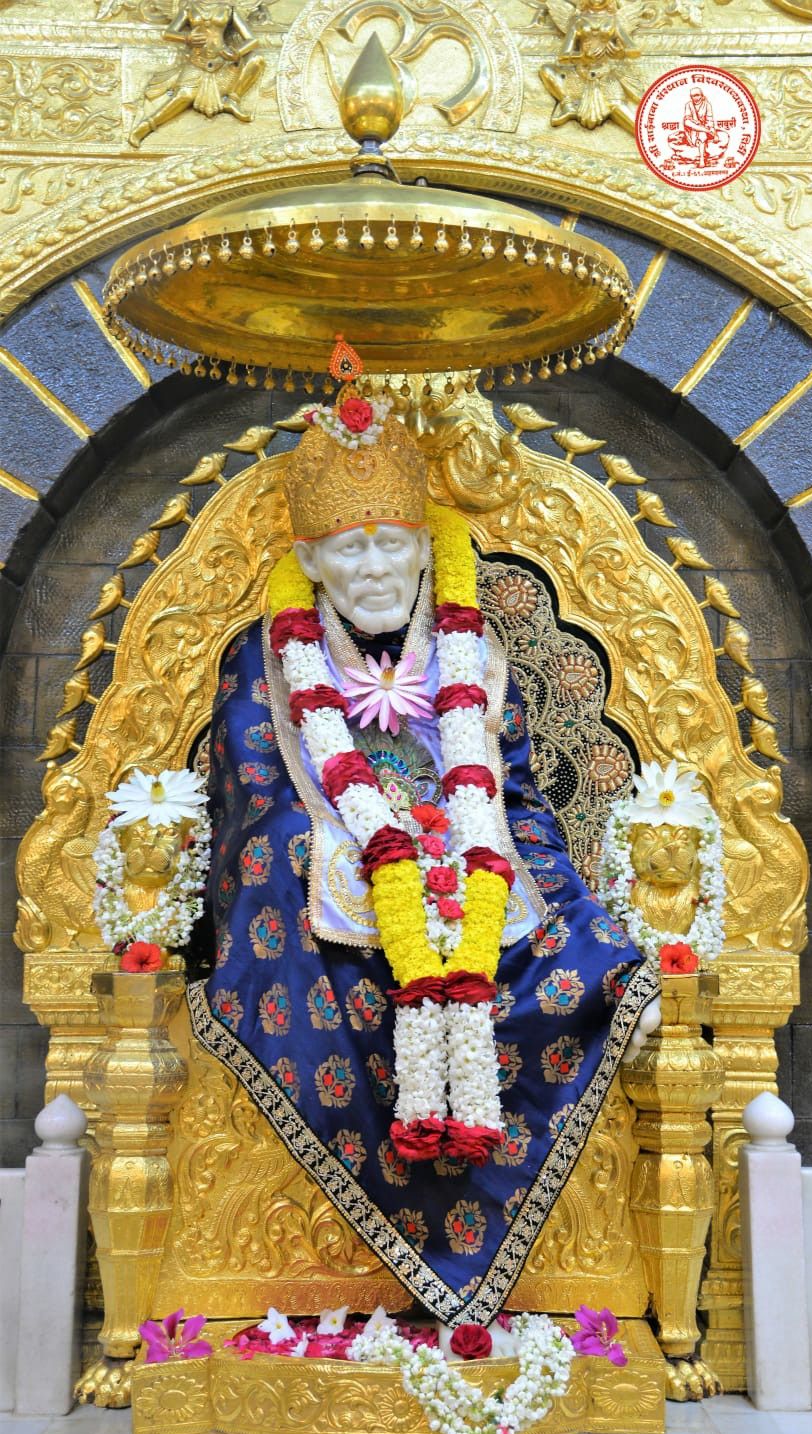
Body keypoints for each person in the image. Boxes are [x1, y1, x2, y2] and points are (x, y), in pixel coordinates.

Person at [188, 389, 660, 1325]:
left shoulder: (472, 653)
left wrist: (464, 845)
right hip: (332, 871)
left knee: (562, 933)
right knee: (285, 859)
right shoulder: (265, 658)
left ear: (425, 545)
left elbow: (516, 798)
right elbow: (255, 792)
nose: (373, 568)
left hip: (466, 864)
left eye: (390, 543)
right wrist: (363, 843)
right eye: (350, 548)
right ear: (312, 560)